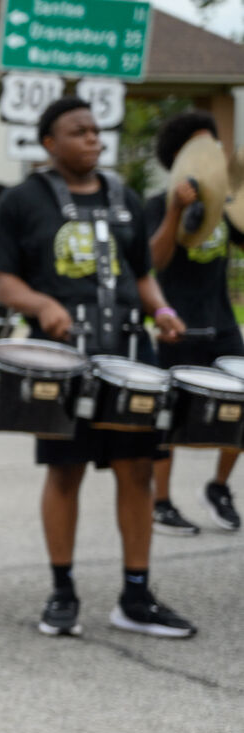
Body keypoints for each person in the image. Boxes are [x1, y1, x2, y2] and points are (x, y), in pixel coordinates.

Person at [0, 96, 196, 639]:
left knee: (139, 471)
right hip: (62, 363)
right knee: (65, 472)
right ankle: (63, 592)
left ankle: (136, 594)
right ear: (50, 142)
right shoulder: (22, 201)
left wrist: (164, 311)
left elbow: (142, 272)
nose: (92, 139)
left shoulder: (122, 196)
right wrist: (42, 306)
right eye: (78, 131)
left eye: (96, 131)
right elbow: (2, 279)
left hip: (130, 357)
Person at [140, 111, 242, 534]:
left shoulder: (224, 205)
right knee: (169, 417)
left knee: (240, 408)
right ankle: (161, 501)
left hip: (221, 323)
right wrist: (174, 211)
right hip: (175, 325)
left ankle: (218, 486)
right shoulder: (154, 206)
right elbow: (152, 262)